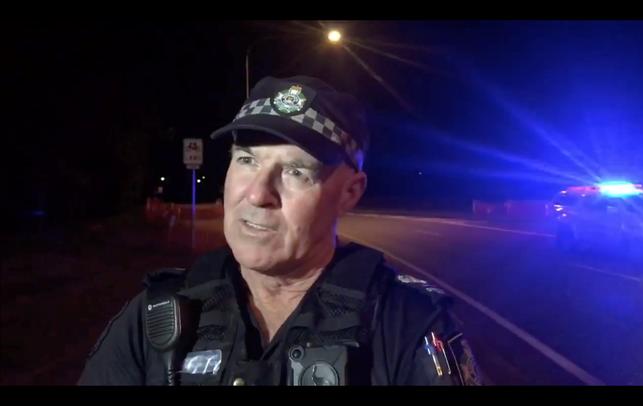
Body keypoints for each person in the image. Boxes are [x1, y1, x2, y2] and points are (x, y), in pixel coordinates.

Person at [78, 75, 482, 386]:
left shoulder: (408, 327)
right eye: (247, 160)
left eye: (295, 171)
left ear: (350, 191)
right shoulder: (156, 317)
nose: (257, 194)